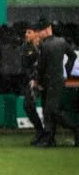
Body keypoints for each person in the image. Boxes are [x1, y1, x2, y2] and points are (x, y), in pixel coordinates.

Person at [32, 19, 78, 148]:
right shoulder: (62, 42)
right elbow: (73, 56)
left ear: (47, 29)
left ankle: (70, 130)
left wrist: (38, 82)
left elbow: (41, 66)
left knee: (51, 111)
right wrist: (67, 72)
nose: (38, 34)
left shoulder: (45, 45)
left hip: (50, 82)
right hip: (58, 80)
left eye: (40, 31)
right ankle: (50, 138)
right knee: (51, 111)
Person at [20, 25, 44, 145]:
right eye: (26, 32)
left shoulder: (43, 45)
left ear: (36, 33)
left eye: (29, 32)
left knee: (50, 108)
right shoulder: (25, 47)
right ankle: (40, 130)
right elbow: (25, 67)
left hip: (46, 80)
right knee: (28, 105)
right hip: (32, 81)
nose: (26, 34)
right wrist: (33, 79)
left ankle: (47, 134)